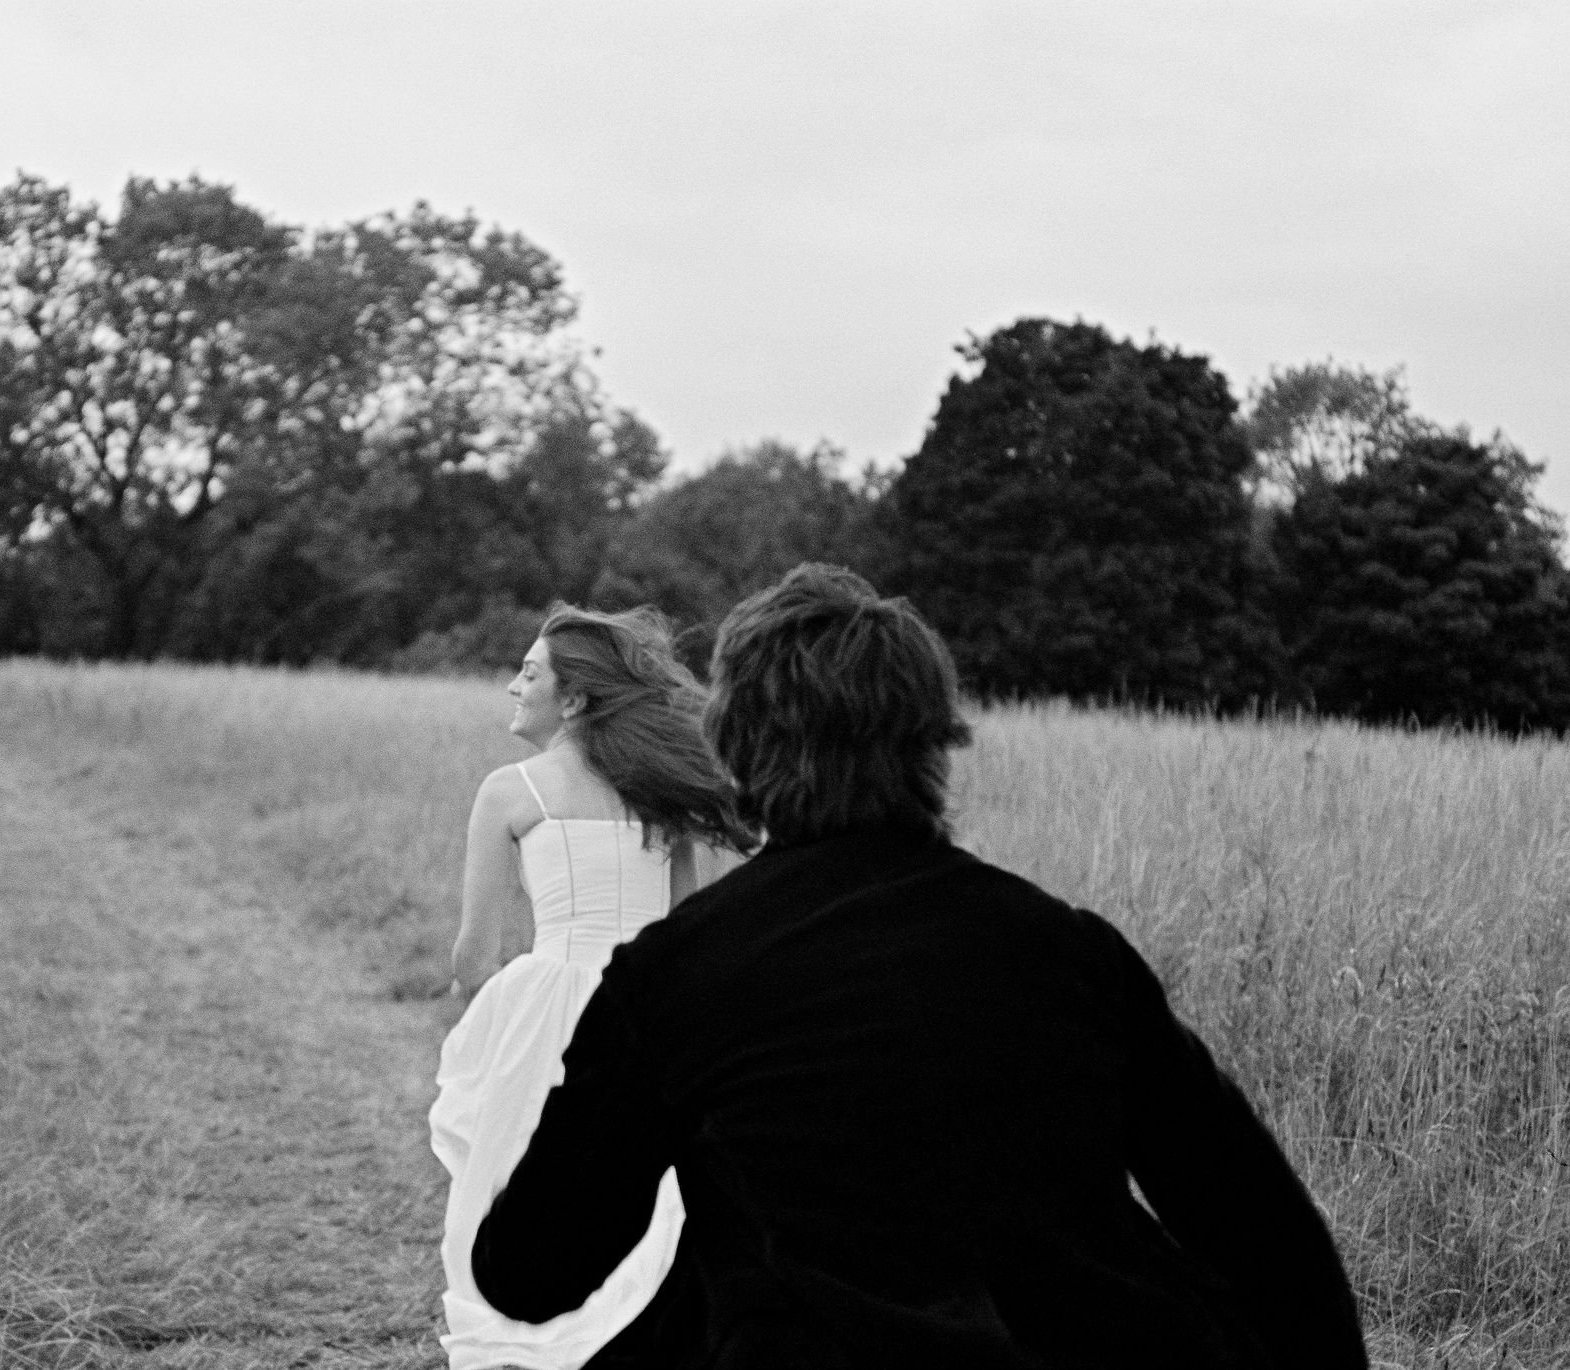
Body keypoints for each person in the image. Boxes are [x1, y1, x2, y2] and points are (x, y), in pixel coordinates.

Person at [473, 565, 1368, 1369]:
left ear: (735, 743)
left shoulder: (677, 973)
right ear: (934, 742)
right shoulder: (1070, 950)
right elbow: (1262, 1231)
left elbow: (531, 1275)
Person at [430, 603, 754, 1370]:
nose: (513, 686)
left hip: (549, 1013)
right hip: (647, 1016)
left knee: (516, 1184)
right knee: (647, 1198)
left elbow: (475, 956)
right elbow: (682, 934)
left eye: (530, 673)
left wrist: (492, 1010)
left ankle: (524, 1341)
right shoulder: (662, 796)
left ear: (573, 699)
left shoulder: (510, 792)